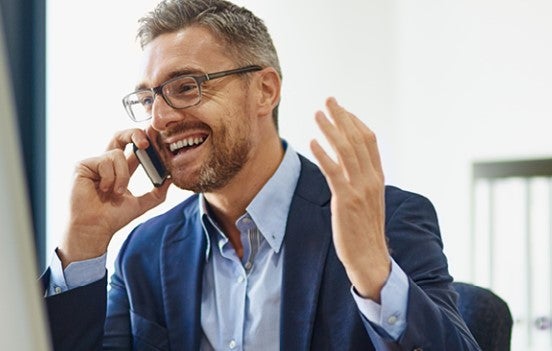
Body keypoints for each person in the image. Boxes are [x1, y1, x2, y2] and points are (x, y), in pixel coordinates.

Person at [42, 0, 480, 350]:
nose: (159, 119)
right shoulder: (145, 252)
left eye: (186, 86)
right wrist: (83, 241)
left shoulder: (386, 219)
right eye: (148, 99)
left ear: (265, 90)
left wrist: (374, 274)